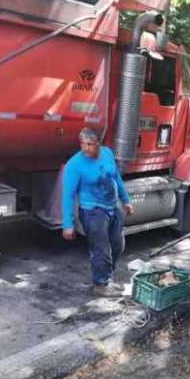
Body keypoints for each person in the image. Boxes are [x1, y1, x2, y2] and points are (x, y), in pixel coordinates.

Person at [61, 127, 134, 296]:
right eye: (83, 144)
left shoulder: (107, 153)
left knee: (118, 245)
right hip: (92, 211)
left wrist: (126, 200)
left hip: (112, 207)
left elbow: (116, 178)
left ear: (99, 144)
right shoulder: (74, 165)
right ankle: (100, 285)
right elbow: (67, 196)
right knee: (101, 249)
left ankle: (107, 277)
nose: (86, 148)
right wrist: (67, 224)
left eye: (91, 144)